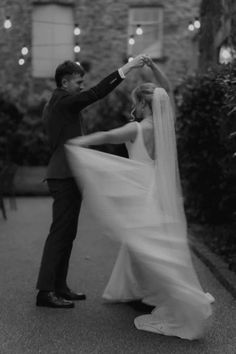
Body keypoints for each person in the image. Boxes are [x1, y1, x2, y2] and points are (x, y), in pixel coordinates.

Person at [65, 57, 213, 339]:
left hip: (142, 192)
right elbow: (166, 88)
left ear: (145, 105)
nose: (134, 108)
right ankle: (136, 291)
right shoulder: (164, 125)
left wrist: (80, 141)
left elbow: (108, 135)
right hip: (159, 189)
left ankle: (163, 294)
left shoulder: (138, 128)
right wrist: (154, 69)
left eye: (137, 103)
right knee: (147, 244)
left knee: (146, 246)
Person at [36, 55, 146, 309]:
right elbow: (96, 93)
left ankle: (59, 287)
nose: (82, 86)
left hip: (69, 173)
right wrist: (127, 67)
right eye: (79, 82)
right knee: (59, 234)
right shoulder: (63, 101)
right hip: (64, 175)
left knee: (67, 233)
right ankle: (45, 291)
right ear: (65, 82)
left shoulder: (59, 103)